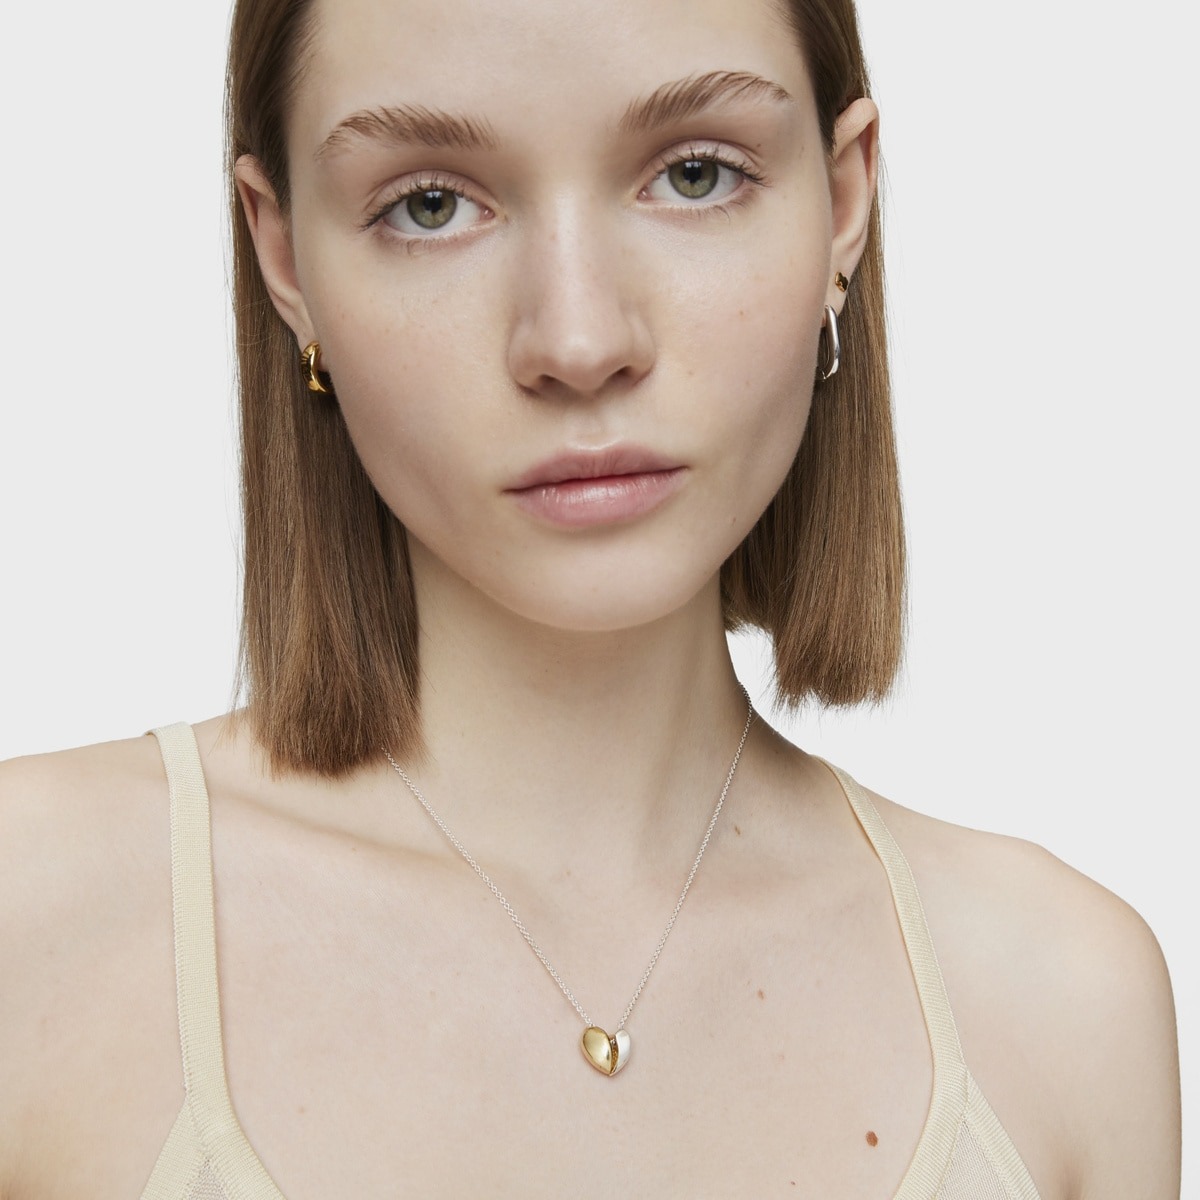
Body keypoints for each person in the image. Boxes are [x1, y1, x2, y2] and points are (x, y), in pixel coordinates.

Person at [0, 0, 1182, 1196]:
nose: (576, 341)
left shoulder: (1062, 1010)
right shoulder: (31, 921)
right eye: (430, 204)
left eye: (696, 174)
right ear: (285, 255)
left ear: (844, 200)